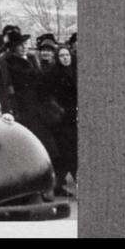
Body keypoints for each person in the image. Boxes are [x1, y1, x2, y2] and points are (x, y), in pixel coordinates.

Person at [2, 30, 59, 198]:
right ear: (13, 48)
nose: (24, 47)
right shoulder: (9, 63)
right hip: (23, 109)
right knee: (32, 148)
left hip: (36, 106)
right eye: (20, 45)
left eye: (25, 44)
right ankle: (37, 189)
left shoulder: (30, 60)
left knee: (46, 146)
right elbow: (9, 87)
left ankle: (46, 186)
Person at [43, 46, 77, 197]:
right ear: (57, 58)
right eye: (62, 56)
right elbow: (47, 97)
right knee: (65, 150)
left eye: (67, 55)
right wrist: (59, 110)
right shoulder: (52, 74)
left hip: (74, 114)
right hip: (61, 117)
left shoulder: (76, 71)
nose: (65, 58)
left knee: (74, 149)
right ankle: (58, 183)